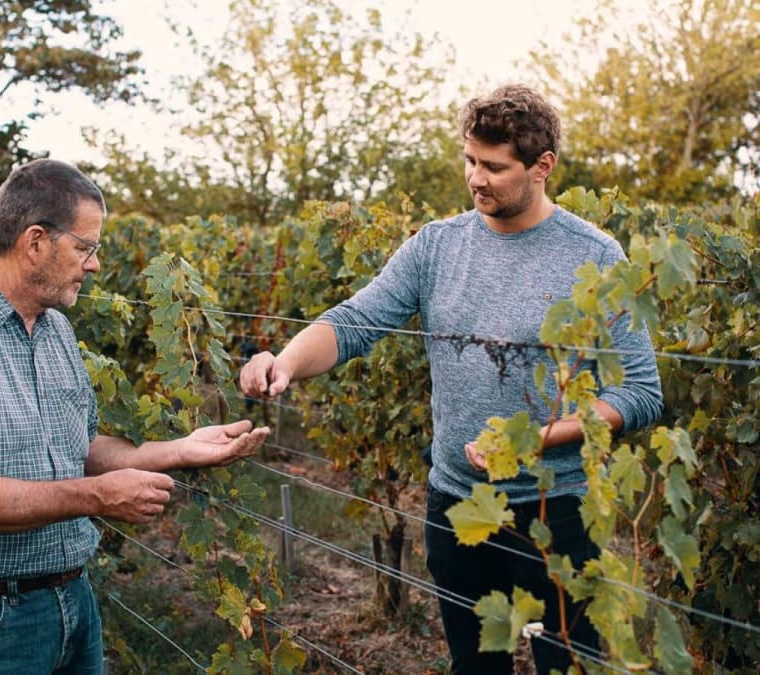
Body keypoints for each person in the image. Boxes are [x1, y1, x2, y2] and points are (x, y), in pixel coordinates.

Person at [240, 84, 662, 673]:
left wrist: (533, 441)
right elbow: (356, 321)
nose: (476, 179)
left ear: (543, 166)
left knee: (567, 666)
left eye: (494, 167)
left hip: (558, 510)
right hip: (457, 505)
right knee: (474, 667)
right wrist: (284, 362)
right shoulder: (437, 246)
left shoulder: (594, 256)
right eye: (469, 160)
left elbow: (640, 393)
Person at [0, 158, 269, 674]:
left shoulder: (55, 331)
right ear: (35, 242)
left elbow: (80, 450)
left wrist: (180, 450)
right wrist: (97, 498)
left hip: (72, 603)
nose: (95, 265)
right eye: (86, 248)